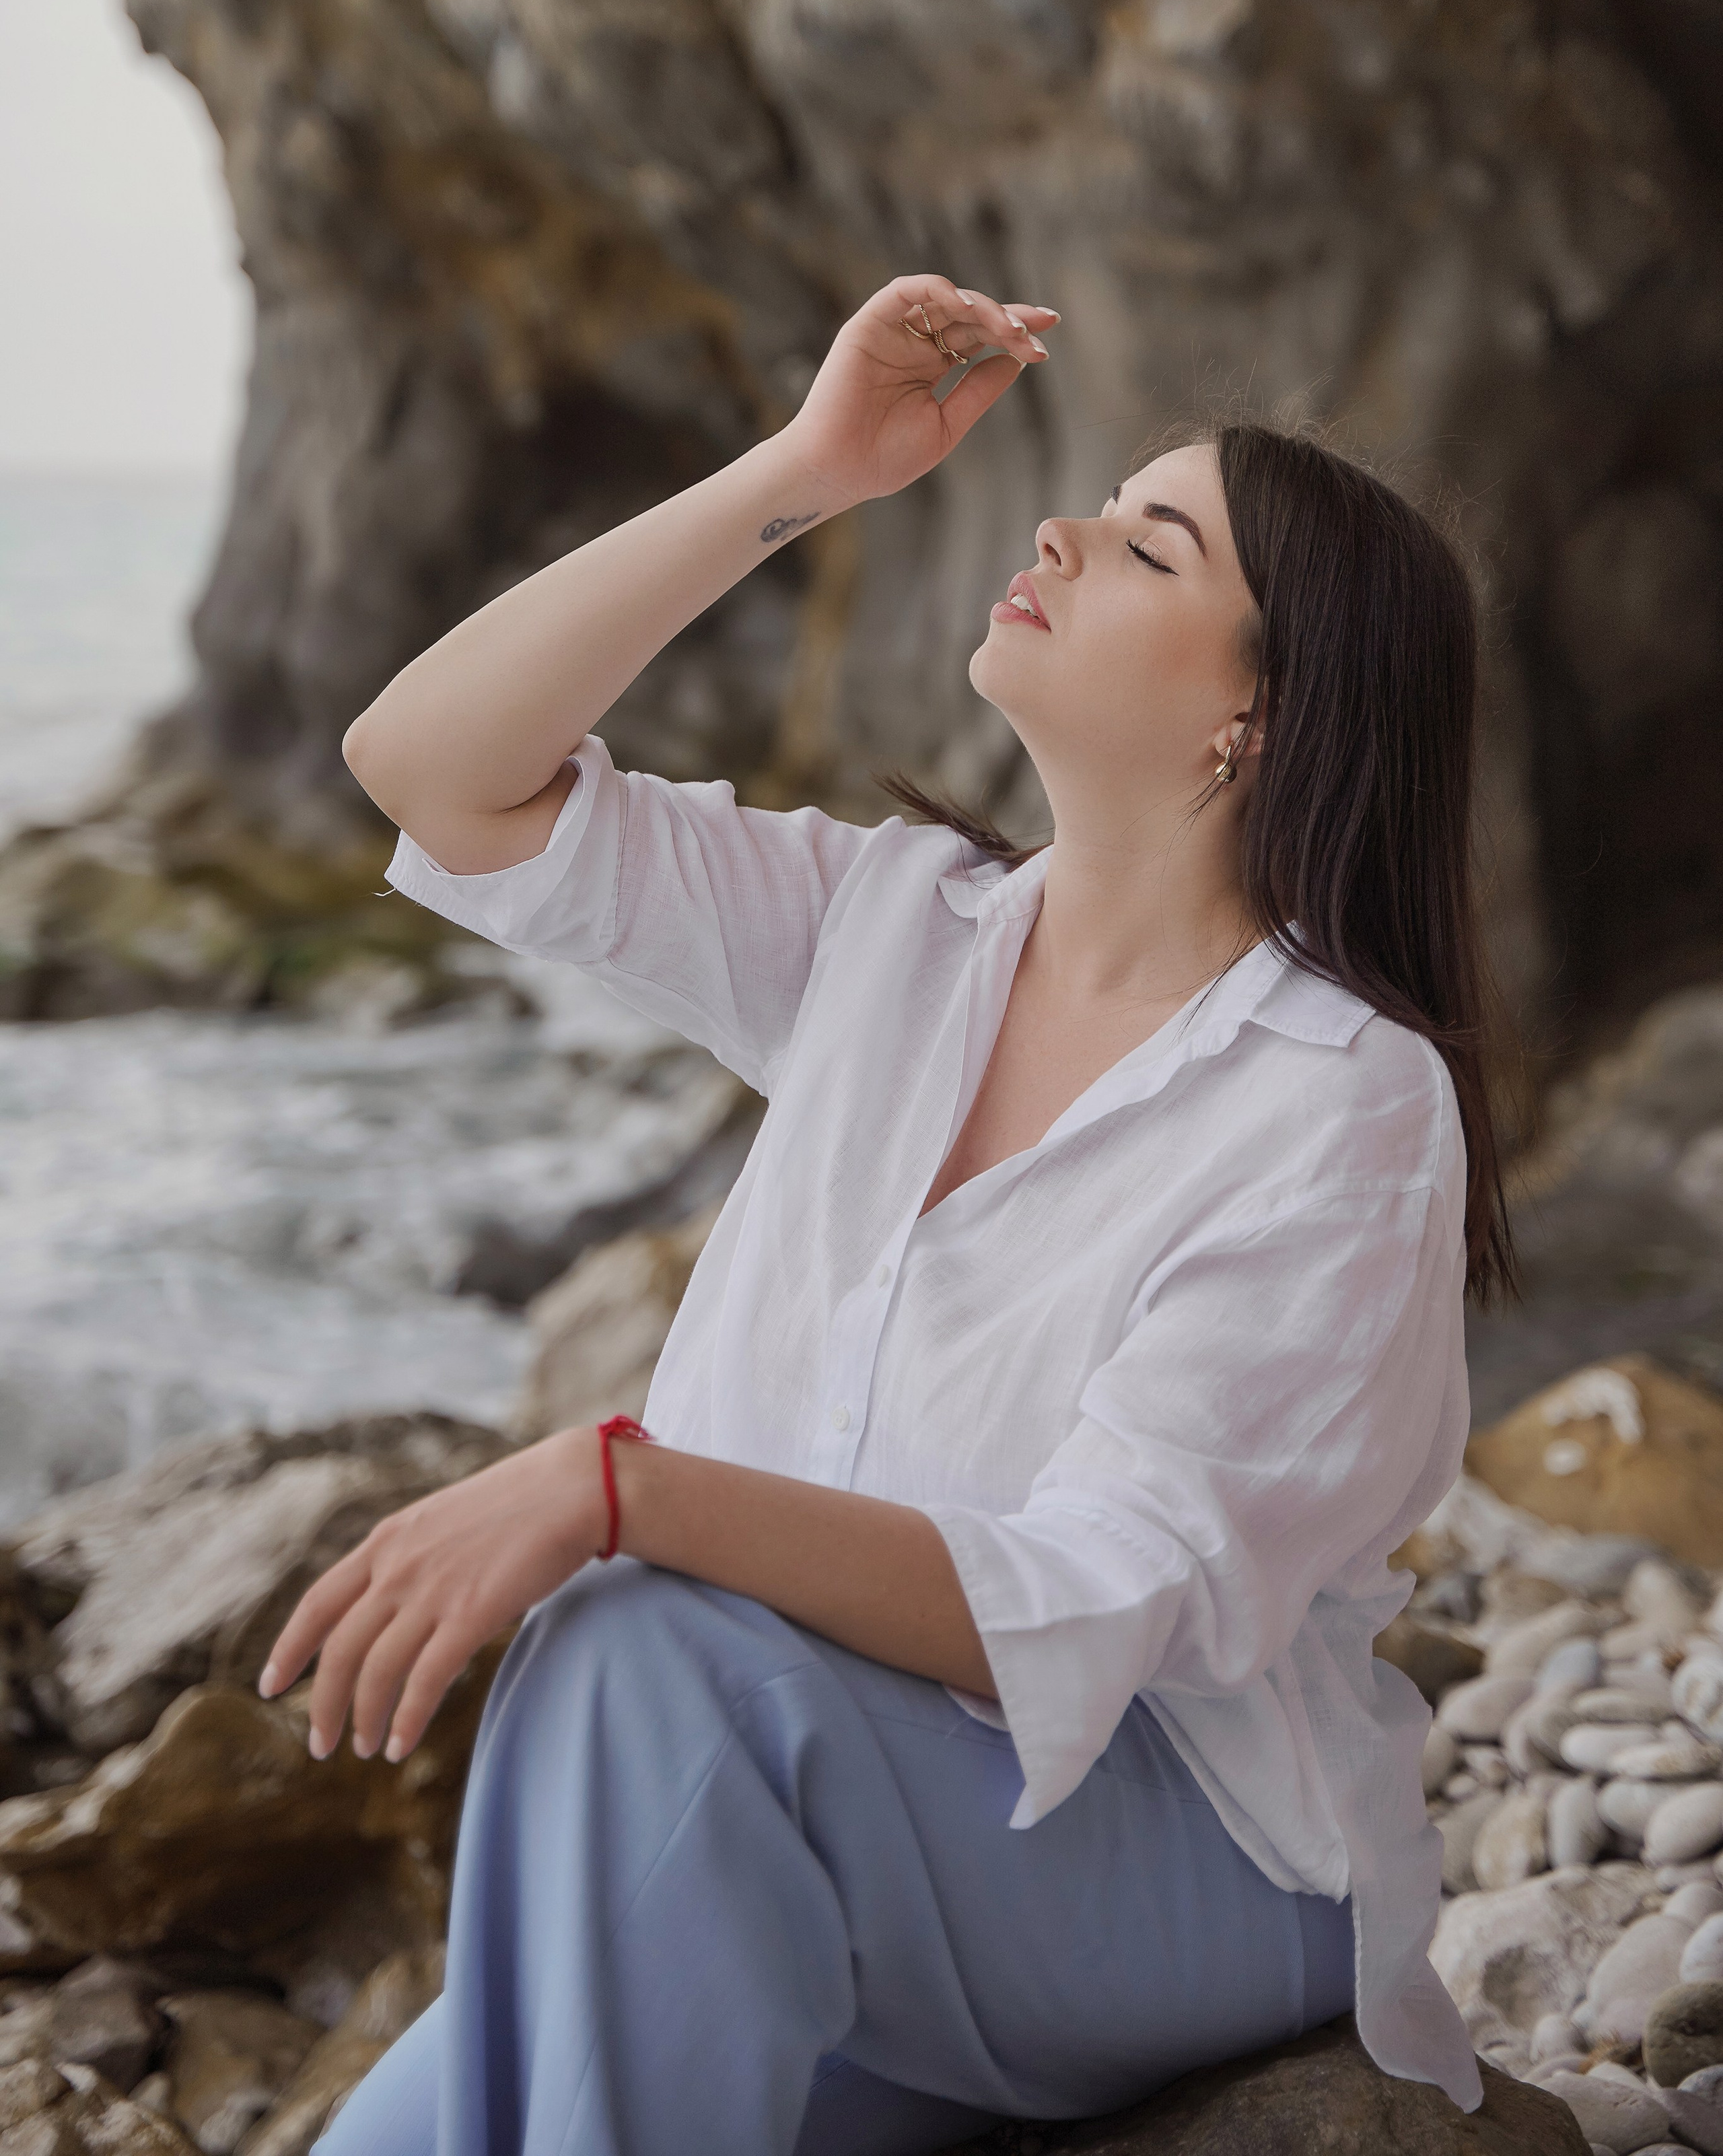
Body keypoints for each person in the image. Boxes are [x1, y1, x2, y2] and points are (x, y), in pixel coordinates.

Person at [264, 275, 1509, 2154]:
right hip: (805, 1791)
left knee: (629, 1643)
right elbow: (432, 773)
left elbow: (1096, 1608)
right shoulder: (891, 929)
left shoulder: (1342, 1105)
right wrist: (807, 465)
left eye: (1150, 543)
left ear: (1259, 710)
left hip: (1175, 1848)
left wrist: (620, 1487)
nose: (1061, 531)